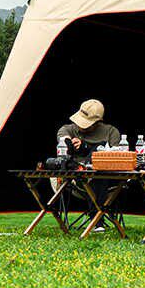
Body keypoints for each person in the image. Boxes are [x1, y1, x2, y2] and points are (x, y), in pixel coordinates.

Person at [53, 99, 121, 231]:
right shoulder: (69, 129)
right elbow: (63, 137)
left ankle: (96, 219)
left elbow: (115, 157)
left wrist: (87, 147)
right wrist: (71, 144)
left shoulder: (111, 132)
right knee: (89, 173)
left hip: (103, 178)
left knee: (99, 157)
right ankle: (97, 220)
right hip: (76, 180)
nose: (80, 125)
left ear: (97, 122)